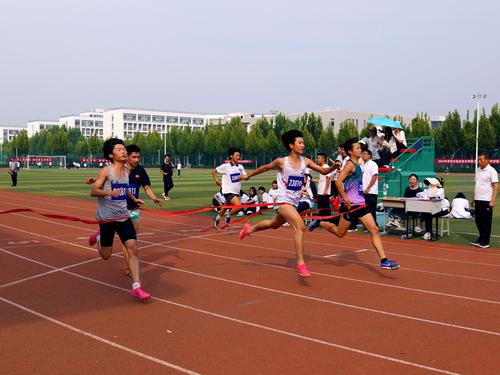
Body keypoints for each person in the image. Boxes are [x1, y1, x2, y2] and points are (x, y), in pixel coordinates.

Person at [239, 129, 336, 277]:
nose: (303, 145)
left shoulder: (306, 162)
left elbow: (324, 172)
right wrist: (248, 176)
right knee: (300, 226)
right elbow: (265, 167)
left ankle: (248, 230)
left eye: (303, 142)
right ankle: (301, 264)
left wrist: (334, 167)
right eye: (300, 142)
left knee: (274, 224)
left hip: (293, 203)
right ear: (291, 145)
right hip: (282, 201)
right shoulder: (282, 162)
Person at [308, 138, 400, 270]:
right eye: (357, 148)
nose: (360, 150)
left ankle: (384, 261)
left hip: (361, 204)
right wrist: (345, 198)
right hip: (350, 206)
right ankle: (320, 222)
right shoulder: (350, 164)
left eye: (360, 148)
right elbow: (339, 182)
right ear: (350, 151)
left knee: (374, 229)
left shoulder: (359, 164)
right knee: (340, 234)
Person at [88, 138, 150, 301]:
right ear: (110, 154)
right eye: (119, 149)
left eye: (124, 149)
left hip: (123, 216)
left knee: (133, 248)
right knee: (106, 255)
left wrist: (134, 199)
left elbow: (124, 189)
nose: (123, 151)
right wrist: (109, 193)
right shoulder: (106, 171)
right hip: (107, 218)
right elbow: (93, 191)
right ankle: (100, 237)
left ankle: (136, 287)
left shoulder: (127, 172)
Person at [122, 144, 163, 275]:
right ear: (127, 156)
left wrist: (154, 198)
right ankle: (129, 265)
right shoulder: (119, 169)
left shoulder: (140, 170)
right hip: (120, 209)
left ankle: (129, 266)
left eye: (138, 157)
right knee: (123, 242)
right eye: (133, 157)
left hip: (134, 209)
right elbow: (106, 179)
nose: (136, 159)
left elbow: (147, 188)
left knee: (132, 240)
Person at [212, 147, 247, 227]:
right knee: (238, 206)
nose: (239, 157)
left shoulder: (240, 167)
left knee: (225, 206)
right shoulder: (226, 166)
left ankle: (217, 218)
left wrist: (247, 176)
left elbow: (245, 176)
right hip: (227, 191)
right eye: (237, 155)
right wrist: (217, 180)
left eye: (239, 155)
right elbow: (214, 171)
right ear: (231, 156)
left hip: (236, 191)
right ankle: (228, 216)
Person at [471, 154, 498, 248]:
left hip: (486, 200)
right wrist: (473, 199)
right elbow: (476, 185)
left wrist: (493, 200)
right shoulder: (478, 170)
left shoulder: (492, 171)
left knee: (486, 221)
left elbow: (495, 186)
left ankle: (485, 241)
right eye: (478, 160)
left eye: (481, 160)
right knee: (478, 220)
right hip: (478, 199)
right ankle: (481, 238)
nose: (479, 162)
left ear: (487, 160)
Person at [361, 149, 378, 223]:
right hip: (363, 191)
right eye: (362, 153)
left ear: (369, 155)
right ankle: (368, 226)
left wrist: (368, 188)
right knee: (365, 211)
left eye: (365, 153)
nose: (363, 155)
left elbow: (374, 176)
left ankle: (375, 227)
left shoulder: (373, 164)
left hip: (371, 192)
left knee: (371, 211)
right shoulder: (362, 165)